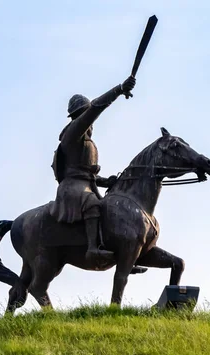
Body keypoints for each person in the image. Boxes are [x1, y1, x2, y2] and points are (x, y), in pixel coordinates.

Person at [50, 75, 136, 264]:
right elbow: (98, 106)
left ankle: (126, 252)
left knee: (112, 208)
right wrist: (119, 89)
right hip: (72, 188)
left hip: (85, 184)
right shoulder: (73, 133)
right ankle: (92, 249)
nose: (91, 122)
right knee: (93, 204)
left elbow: (86, 174)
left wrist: (106, 181)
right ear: (80, 115)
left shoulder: (85, 141)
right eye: (87, 115)